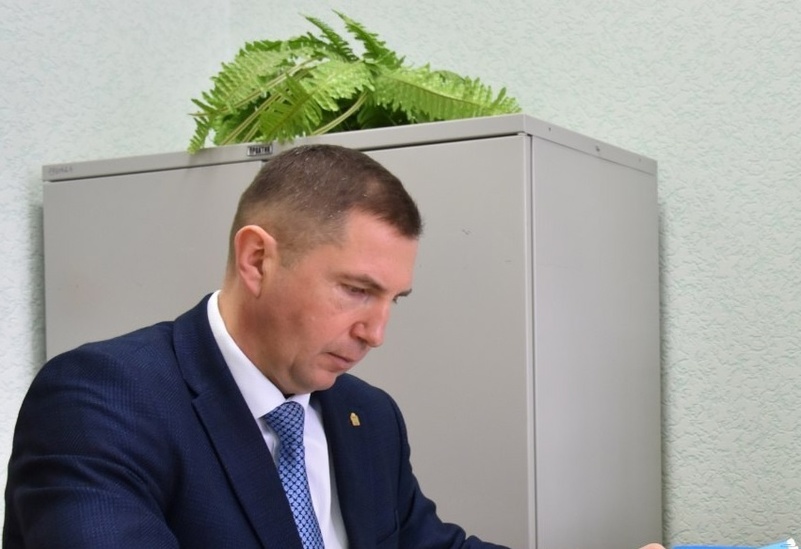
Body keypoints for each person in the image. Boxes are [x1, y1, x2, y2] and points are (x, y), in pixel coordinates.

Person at [3, 144, 510, 548]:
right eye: (357, 290)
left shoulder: (369, 416)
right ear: (256, 260)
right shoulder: (102, 401)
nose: (375, 333)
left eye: (392, 300)